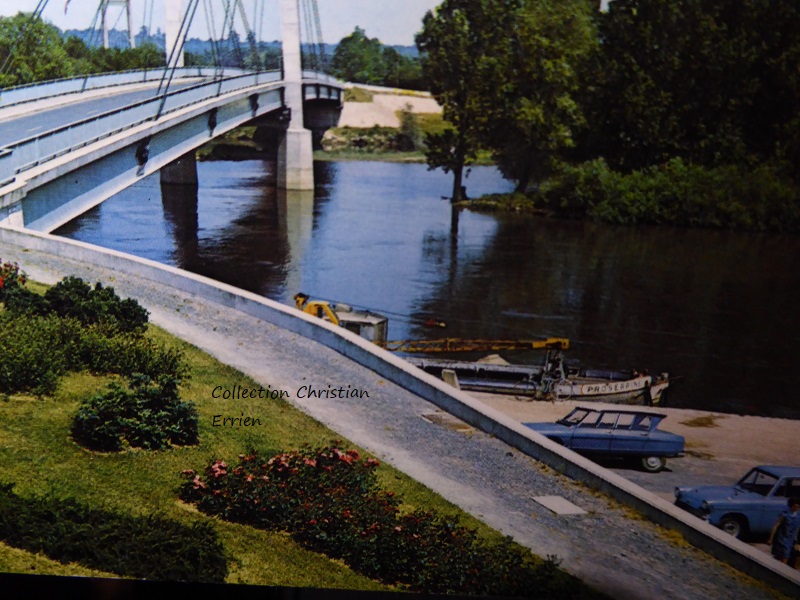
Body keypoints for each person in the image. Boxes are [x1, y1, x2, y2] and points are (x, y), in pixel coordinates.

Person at [767, 497, 800, 565]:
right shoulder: (784, 514)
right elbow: (775, 526)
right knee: (777, 558)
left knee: (785, 557)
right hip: (780, 539)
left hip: (790, 541)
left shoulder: (798, 516)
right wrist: (771, 538)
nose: (796, 508)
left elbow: (797, 529)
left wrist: (796, 541)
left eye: (798, 507)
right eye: (795, 506)